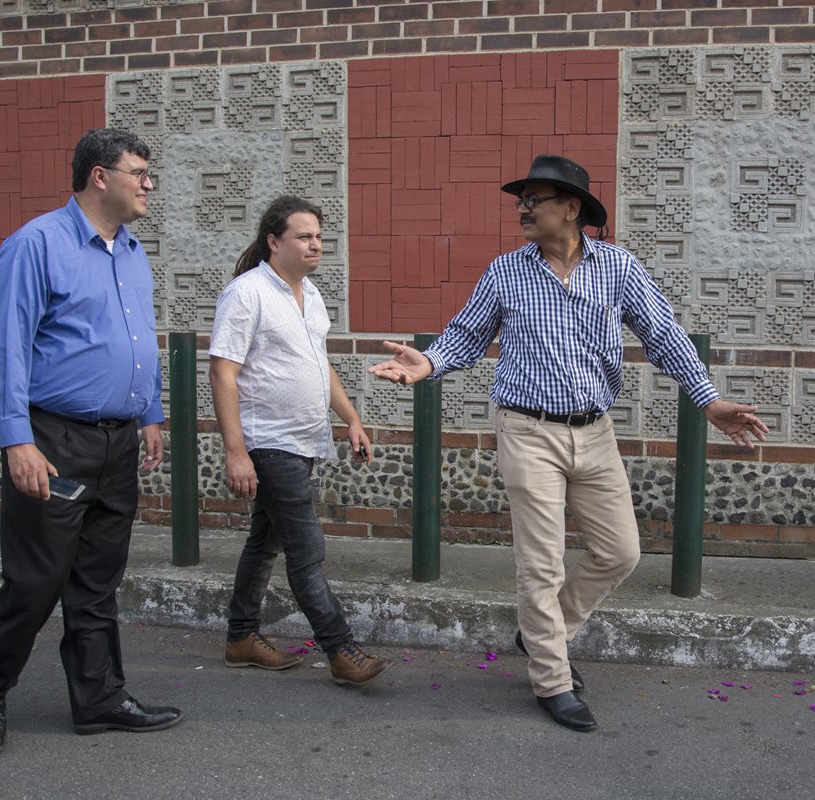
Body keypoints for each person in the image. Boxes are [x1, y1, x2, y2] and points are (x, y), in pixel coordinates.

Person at [369, 154, 769, 732]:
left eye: (536, 199)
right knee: (542, 562)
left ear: (572, 208)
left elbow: (664, 335)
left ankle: (542, 631)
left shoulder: (618, 269)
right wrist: (425, 364)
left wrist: (709, 401)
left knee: (620, 551)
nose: (523, 209)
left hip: (595, 432)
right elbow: (465, 335)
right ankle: (551, 678)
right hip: (527, 430)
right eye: (521, 201)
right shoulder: (506, 271)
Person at [0, 128, 182, 754]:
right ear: (98, 176)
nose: (147, 184)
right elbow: (6, 347)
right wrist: (17, 440)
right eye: (138, 172)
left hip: (118, 444)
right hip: (53, 439)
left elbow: (141, 339)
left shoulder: (133, 250)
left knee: (97, 581)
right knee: (36, 579)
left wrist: (150, 414)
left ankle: (99, 700)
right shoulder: (36, 245)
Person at [209, 195, 393, 685]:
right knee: (306, 548)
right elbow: (223, 374)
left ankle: (241, 638)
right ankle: (340, 648)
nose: (316, 245)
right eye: (305, 236)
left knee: (264, 543)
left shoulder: (310, 294)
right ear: (274, 241)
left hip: (304, 439)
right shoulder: (246, 294)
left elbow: (319, 363)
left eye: (319, 237)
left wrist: (350, 417)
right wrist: (236, 452)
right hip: (268, 442)